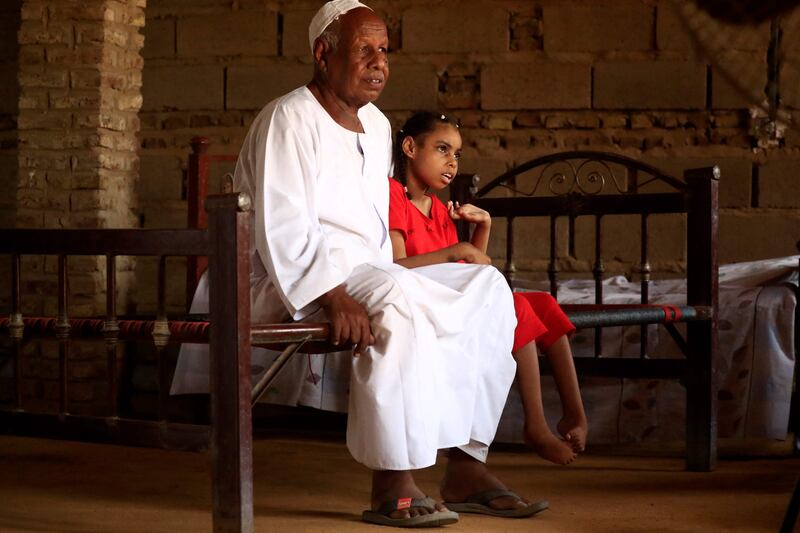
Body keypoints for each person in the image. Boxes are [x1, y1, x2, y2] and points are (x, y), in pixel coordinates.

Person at [223, 0, 547, 527]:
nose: (379, 62)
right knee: (395, 300)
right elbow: (280, 227)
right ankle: (391, 482)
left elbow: (374, 232)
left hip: (369, 274)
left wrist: (392, 276)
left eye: (385, 51)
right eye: (364, 50)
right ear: (323, 53)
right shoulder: (289, 117)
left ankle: (466, 465)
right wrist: (333, 293)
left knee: (487, 287)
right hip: (288, 277)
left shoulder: (377, 126)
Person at [388, 111, 588, 465]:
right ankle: (536, 425)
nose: (452, 161)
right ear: (409, 147)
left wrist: (483, 227)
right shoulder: (393, 197)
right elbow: (396, 268)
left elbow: (472, 274)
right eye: (442, 149)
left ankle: (575, 415)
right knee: (516, 309)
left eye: (457, 154)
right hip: (420, 301)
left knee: (542, 303)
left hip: (452, 297)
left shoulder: (437, 209)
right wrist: (456, 249)